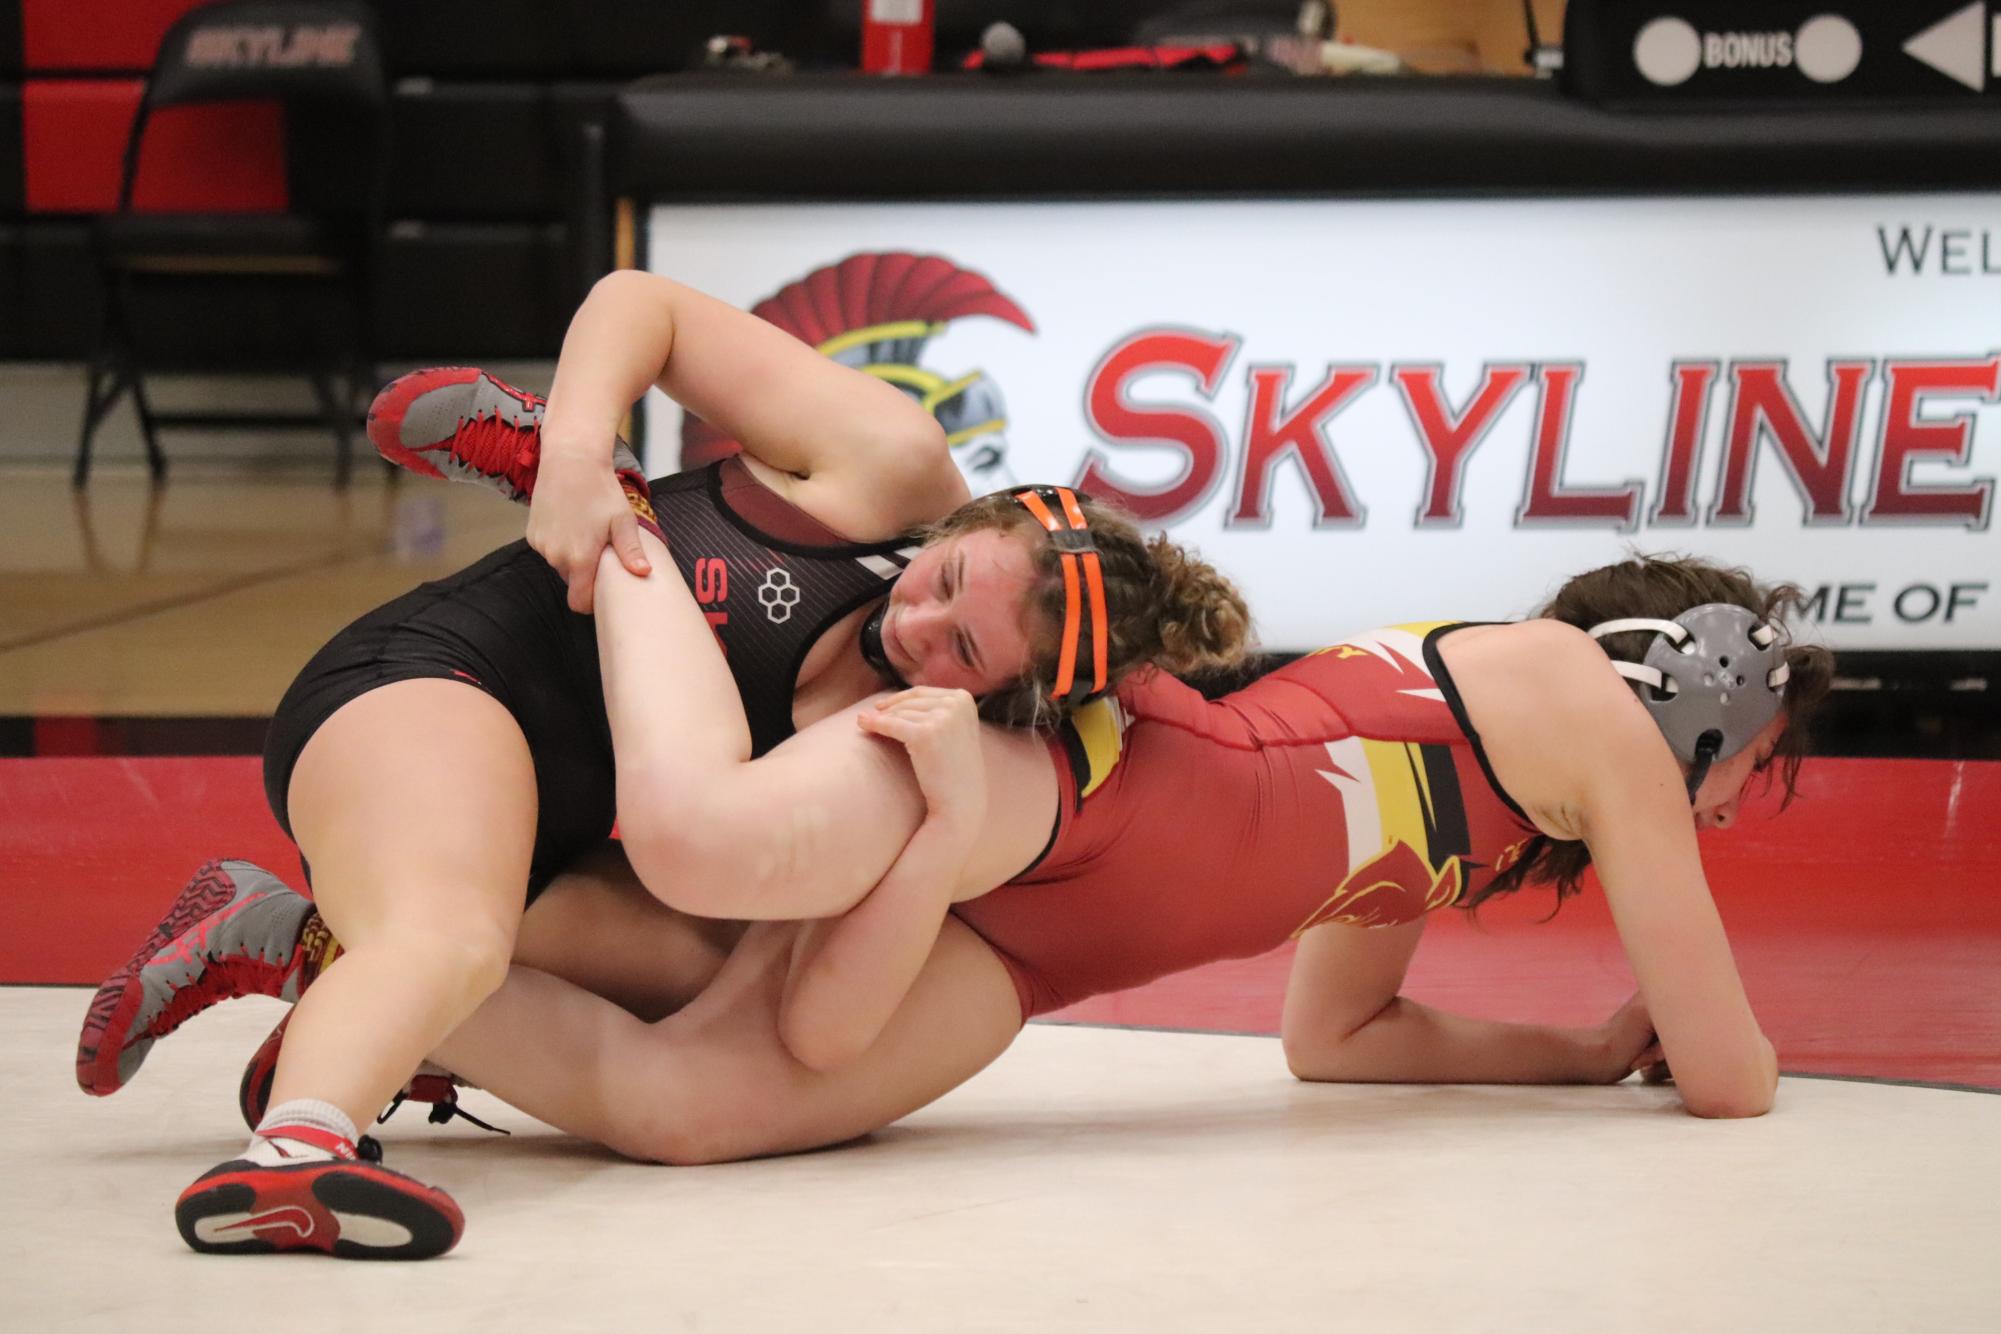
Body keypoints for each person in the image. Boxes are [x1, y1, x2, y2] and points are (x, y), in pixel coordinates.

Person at [75, 268, 1251, 1259]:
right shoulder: (889, 464)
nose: (917, 628)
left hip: (571, 836)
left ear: (1011, 694)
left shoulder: (964, 736)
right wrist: (582, 450)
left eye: (963, 649)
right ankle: (295, 1152)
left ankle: (293, 940)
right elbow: (644, 303)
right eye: (942, 579)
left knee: (724, 985)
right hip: (435, 691)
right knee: (450, 935)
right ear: (966, 521)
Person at [102, 553, 1831, 1213]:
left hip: (1047, 942)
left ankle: (315, 939)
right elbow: (1736, 1074)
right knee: (699, 844)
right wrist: (1663, 1032)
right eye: (1760, 767)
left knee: (688, 1097)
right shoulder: (1586, 704)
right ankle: (617, 533)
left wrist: (1577, 1048)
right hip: (1070, 793)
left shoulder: (1467, 784)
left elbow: (1342, 1041)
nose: (1740, 811)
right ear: (1704, 679)